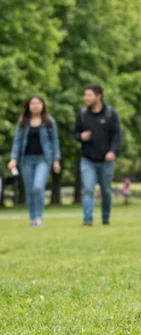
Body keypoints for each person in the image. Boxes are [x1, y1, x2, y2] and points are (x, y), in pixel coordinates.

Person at [7, 95, 62, 227]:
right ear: (28, 106)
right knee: (30, 190)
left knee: (38, 187)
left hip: (43, 159)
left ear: (43, 105)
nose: (35, 106)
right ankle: (33, 218)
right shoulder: (23, 122)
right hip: (26, 160)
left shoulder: (49, 122)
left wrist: (56, 159)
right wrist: (13, 158)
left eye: (38, 103)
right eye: (33, 103)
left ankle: (39, 217)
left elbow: (55, 141)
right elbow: (17, 142)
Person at [73, 84, 122, 226]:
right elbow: (75, 133)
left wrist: (113, 151)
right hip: (87, 159)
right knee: (88, 189)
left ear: (98, 96)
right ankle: (87, 219)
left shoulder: (111, 114)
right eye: (85, 95)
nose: (86, 98)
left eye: (89, 95)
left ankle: (105, 217)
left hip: (106, 159)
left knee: (106, 191)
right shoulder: (82, 114)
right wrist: (80, 136)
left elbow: (117, 135)